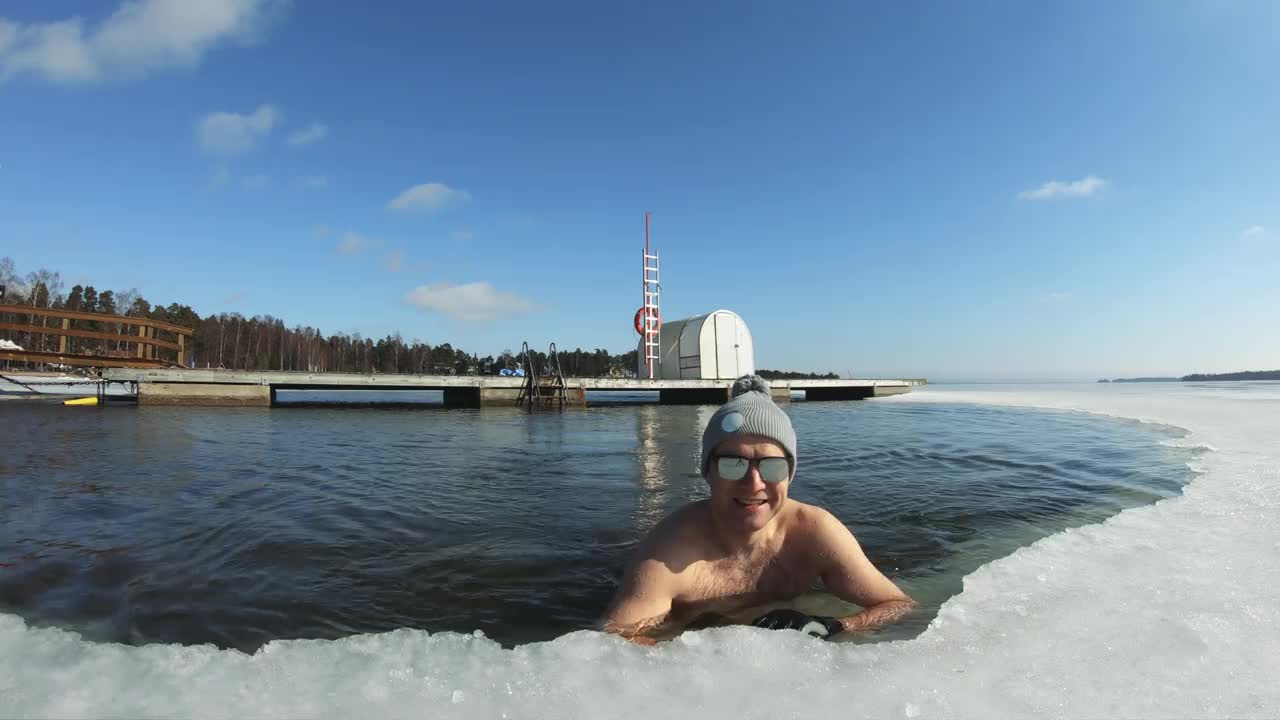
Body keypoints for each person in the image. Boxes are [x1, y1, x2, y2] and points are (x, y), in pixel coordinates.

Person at [602, 375, 915, 644]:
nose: (754, 483)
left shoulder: (816, 532)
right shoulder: (668, 554)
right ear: (707, 472)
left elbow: (898, 604)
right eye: (732, 464)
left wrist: (836, 626)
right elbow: (614, 642)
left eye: (772, 466)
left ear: (790, 473)